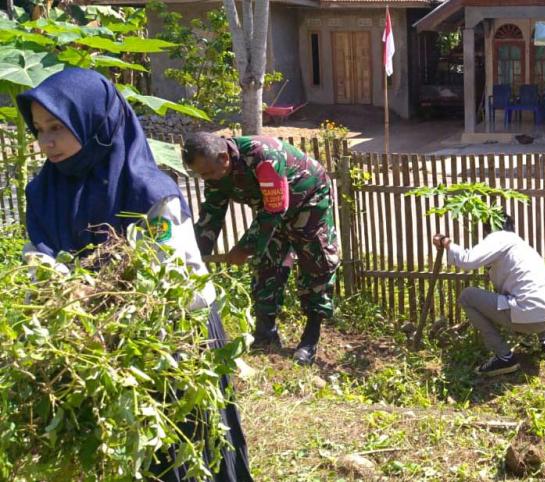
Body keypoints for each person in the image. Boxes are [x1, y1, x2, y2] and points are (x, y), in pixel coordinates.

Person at [17, 68, 253, 482]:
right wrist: (57, 284)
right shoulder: (43, 190)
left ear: (95, 121)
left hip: (171, 339)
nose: (45, 142)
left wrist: (102, 295)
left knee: (185, 448)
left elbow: (177, 279)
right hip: (88, 342)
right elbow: (36, 251)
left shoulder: (147, 191)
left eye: (57, 127)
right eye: (39, 129)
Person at [182, 132, 339, 366]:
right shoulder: (215, 171)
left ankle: (310, 339)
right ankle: (266, 333)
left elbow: (274, 210)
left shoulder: (264, 157)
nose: (206, 178)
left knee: (316, 263)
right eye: (201, 174)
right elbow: (212, 213)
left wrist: (243, 248)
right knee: (266, 263)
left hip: (308, 200)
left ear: (224, 157)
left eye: (207, 173)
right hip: (272, 209)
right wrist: (195, 254)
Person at [432, 215, 545, 376]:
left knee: (467, 296)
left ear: (489, 230)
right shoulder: (521, 246)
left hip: (531, 316)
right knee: (529, 292)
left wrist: (446, 242)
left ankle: (504, 357)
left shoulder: (499, 237)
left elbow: (467, 260)